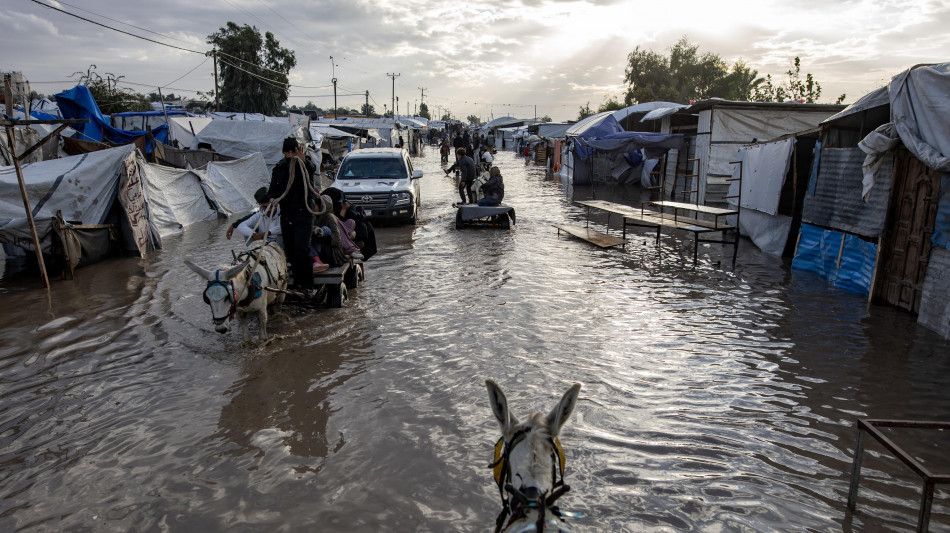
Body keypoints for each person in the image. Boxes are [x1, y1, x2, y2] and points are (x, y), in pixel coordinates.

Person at [266, 137, 319, 292]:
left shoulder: (304, 165)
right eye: (287, 152)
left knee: (301, 248)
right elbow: (272, 190)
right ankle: (297, 283)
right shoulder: (279, 168)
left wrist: (303, 161)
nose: (290, 155)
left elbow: (312, 169)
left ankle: (308, 284)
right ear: (284, 153)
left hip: (304, 213)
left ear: (298, 151)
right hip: (287, 213)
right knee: (289, 250)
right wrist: (272, 199)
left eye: (293, 152)